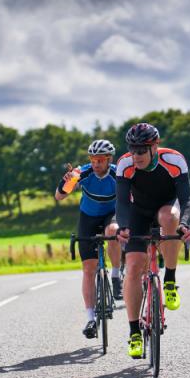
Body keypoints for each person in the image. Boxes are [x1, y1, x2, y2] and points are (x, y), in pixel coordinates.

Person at [115, 123, 190, 358]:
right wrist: (125, 226)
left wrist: (186, 224)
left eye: (141, 150)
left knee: (168, 217)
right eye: (132, 149)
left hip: (166, 208)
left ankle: (169, 279)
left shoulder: (174, 160)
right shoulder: (125, 164)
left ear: (155, 147)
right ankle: (134, 333)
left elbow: (187, 199)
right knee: (133, 268)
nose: (136, 155)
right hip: (138, 212)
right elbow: (121, 202)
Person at [55, 139, 123, 339]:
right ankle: (91, 319)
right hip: (88, 217)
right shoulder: (81, 173)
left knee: (113, 230)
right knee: (88, 269)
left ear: (109, 159)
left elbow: (133, 195)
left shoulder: (117, 173)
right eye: (93, 160)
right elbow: (59, 197)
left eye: (100, 160)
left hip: (112, 213)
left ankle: (117, 275)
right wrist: (66, 181)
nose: (96, 164)